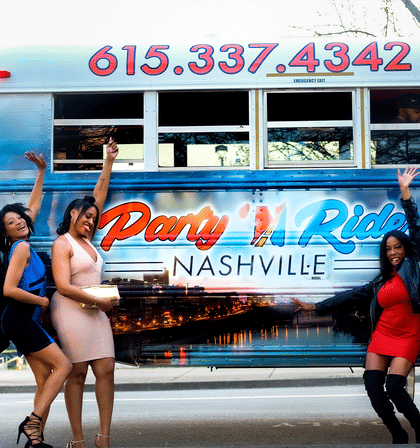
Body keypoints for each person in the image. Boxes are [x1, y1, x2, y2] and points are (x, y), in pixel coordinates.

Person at [292, 166, 420, 445]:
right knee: (374, 387)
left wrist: (405, 193)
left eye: (398, 247)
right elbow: (351, 296)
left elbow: (417, 230)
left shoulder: (415, 268)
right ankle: (397, 433)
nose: (393, 252)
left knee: (396, 387)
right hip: (382, 336)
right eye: (388, 249)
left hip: (408, 337)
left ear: (407, 249)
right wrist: (316, 307)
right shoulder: (381, 282)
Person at [0, 152, 72, 448]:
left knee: (45, 381)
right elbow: (8, 289)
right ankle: (32, 423)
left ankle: (34, 440)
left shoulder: (24, 241)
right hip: (19, 317)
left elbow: (34, 204)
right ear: (5, 233)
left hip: (21, 319)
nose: (18, 222)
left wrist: (41, 171)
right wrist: (41, 303)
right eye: (11, 222)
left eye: (19, 218)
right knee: (64, 367)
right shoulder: (20, 249)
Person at [50, 138, 119, 448]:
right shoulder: (62, 243)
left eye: (95, 217)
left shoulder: (89, 239)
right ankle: (77, 439)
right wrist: (98, 301)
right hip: (70, 308)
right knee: (77, 372)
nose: (92, 221)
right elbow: (63, 287)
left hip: (94, 307)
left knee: (105, 367)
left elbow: (98, 194)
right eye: (86, 216)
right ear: (73, 214)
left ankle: (103, 437)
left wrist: (109, 161)